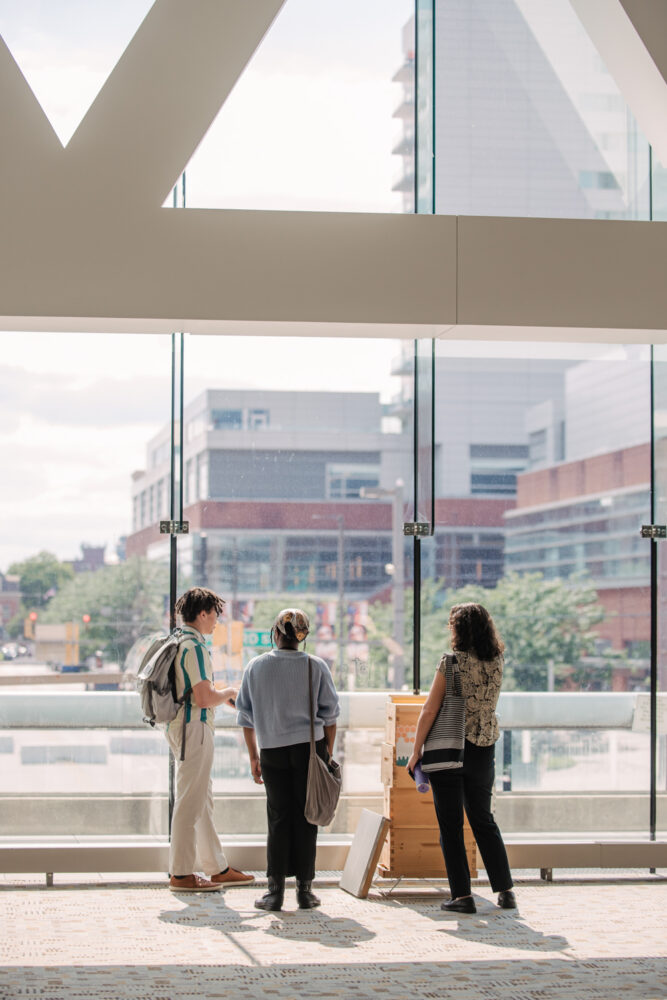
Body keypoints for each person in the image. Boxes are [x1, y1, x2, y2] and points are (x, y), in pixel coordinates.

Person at [407, 602, 516, 914]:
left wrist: (416, 752)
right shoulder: (497, 661)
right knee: (483, 820)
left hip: (449, 749)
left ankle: (462, 897)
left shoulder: (452, 662)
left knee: (451, 825)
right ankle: (506, 890)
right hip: (484, 746)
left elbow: (430, 709)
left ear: (458, 630)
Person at [236, 608, 340, 911]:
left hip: (272, 751)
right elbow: (331, 715)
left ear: (276, 633)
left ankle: (275, 891)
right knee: (308, 818)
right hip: (310, 749)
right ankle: (305, 891)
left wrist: (254, 756)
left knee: (278, 817)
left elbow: (246, 716)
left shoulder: (255, 667)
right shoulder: (315, 666)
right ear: (302, 637)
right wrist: (327, 753)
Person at [166, 587, 254, 893]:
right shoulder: (195, 647)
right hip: (194, 728)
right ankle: (180, 874)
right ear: (202, 613)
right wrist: (229, 692)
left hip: (183, 727)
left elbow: (195, 690)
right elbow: (203, 698)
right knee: (190, 803)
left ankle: (217, 868)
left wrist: (218, 692)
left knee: (201, 799)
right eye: (214, 613)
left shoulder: (179, 641)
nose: (216, 620)